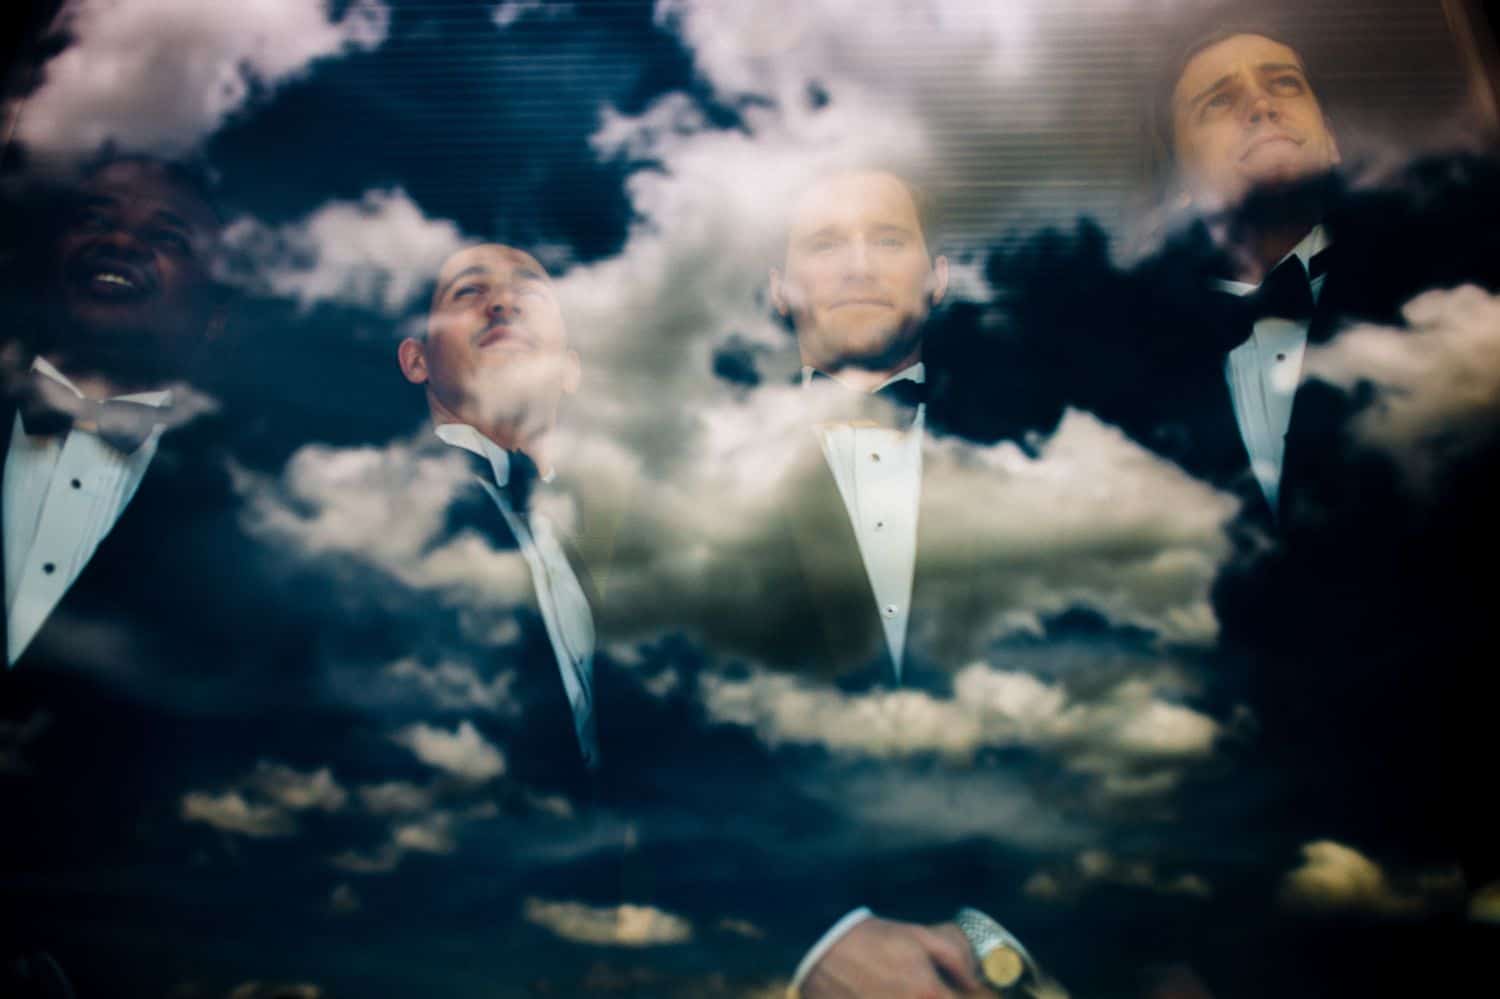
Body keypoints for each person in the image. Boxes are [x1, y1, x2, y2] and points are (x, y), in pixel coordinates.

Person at [767, 169, 1055, 999]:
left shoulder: (1057, 456)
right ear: (780, 290)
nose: (858, 264)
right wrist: (814, 941)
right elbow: (642, 747)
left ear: (937, 278)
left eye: (888, 238)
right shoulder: (681, 474)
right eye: (825, 244)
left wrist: (1017, 947)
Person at [1, 155, 227, 668]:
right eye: (95, 221)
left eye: (168, 237)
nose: (121, 243)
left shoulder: (243, 508)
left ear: (215, 318)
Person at [397, 242, 604, 771]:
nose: (503, 305)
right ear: (416, 359)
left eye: (529, 293)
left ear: (569, 370)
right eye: (469, 290)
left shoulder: (628, 539)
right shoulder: (373, 516)